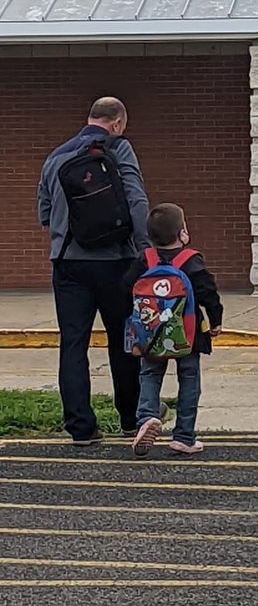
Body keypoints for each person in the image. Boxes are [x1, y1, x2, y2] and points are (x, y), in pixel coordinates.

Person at [38, 96, 150, 445]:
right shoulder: (119, 148)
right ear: (117, 123)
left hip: (68, 262)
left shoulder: (56, 157)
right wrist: (146, 249)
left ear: (90, 118)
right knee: (123, 340)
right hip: (116, 262)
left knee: (73, 344)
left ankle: (81, 428)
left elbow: (44, 211)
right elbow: (136, 200)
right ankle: (131, 419)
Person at [127, 202, 222, 457]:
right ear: (182, 234)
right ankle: (184, 436)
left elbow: (126, 288)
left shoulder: (144, 259)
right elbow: (208, 292)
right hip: (187, 336)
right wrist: (215, 321)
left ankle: (147, 416)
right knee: (189, 380)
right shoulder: (190, 261)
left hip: (151, 335)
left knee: (149, 375)